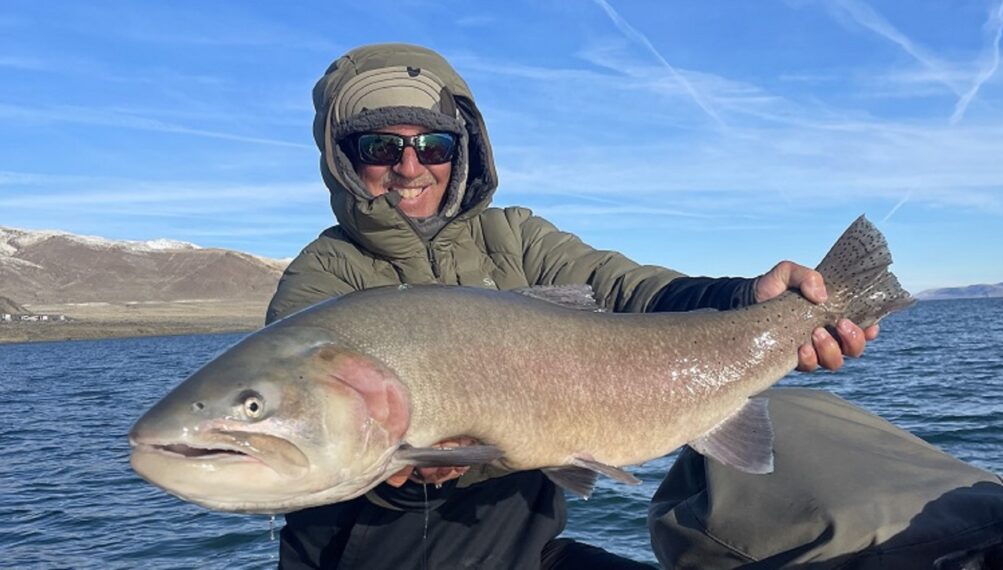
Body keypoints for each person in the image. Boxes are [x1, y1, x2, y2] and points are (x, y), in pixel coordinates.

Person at [266, 43, 875, 569]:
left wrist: (748, 300)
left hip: (528, 552)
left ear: (462, 149)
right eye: (379, 146)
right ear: (342, 158)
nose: (409, 167)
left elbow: (627, 290)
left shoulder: (516, 238)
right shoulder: (317, 288)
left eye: (433, 144)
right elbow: (311, 462)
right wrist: (402, 479)